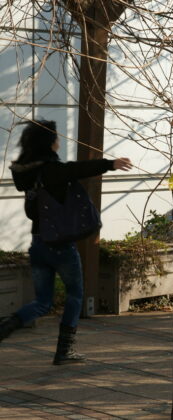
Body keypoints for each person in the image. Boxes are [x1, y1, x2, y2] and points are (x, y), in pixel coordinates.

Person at [0, 120, 132, 364]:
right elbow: (77, 169)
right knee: (75, 295)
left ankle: (9, 324)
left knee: (42, 302)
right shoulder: (53, 170)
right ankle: (65, 350)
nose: (59, 141)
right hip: (60, 246)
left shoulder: (27, 173)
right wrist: (110, 164)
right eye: (56, 137)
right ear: (50, 144)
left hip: (38, 243)